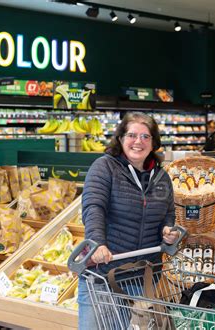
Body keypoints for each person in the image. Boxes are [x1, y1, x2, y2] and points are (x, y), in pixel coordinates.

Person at [78, 112, 179, 329]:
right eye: (132, 135)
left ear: (154, 143)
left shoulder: (162, 178)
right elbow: (93, 207)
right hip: (103, 274)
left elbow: (168, 214)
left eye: (145, 137)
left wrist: (168, 231)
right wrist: (97, 243)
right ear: (121, 138)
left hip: (141, 278)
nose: (138, 142)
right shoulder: (105, 167)